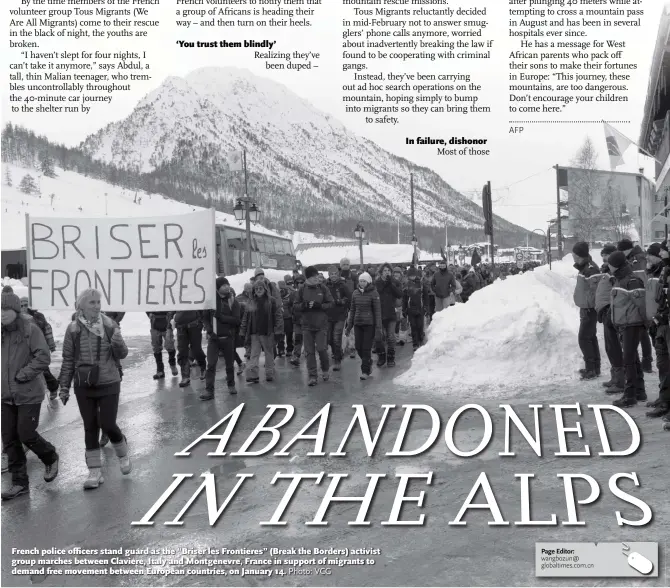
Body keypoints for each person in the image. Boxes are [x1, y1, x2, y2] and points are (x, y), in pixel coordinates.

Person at [59, 288, 130, 490]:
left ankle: (123, 454)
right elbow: (68, 360)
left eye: (98, 302)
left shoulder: (109, 325)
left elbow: (122, 354)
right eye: (92, 303)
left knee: (108, 424)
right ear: (81, 305)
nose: (97, 306)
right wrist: (64, 386)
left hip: (109, 381)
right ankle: (94, 472)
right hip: (84, 383)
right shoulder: (73, 329)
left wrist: (118, 343)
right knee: (90, 426)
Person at [1, 286, 58, 500]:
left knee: (26, 434)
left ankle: (50, 456)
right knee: (9, 440)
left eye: (6, 309)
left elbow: (43, 357)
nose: (2, 313)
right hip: (6, 396)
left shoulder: (30, 329)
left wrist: (23, 374)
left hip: (28, 393)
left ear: (16, 310)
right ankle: (19, 483)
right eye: (0, 309)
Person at [606, 251, 646, 408]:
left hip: (633, 324)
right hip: (626, 324)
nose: (608, 266)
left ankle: (630, 395)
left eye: (610, 263)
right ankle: (639, 391)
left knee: (628, 359)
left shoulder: (631, 280)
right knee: (633, 358)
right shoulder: (620, 279)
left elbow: (641, 304)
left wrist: (646, 323)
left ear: (616, 265)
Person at [618, 238, 654, 373]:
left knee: (643, 332)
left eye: (622, 250)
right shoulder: (634, 258)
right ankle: (646, 361)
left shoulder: (637, 260)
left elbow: (643, 279)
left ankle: (647, 361)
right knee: (642, 331)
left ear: (627, 249)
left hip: (641, 296)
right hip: (639, 295)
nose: (621, 253)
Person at [202, 277, 241, 399]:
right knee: (211, 365)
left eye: (228, 284)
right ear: (218, 287)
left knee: (229, 364)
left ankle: (231, 385)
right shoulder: (210, 302)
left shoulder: (233, 301)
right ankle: (209, 391)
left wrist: (221, 317)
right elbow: (205, 318)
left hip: (228, 337)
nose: (227, 286)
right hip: (214, 339)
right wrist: (209, 330)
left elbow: (237, 320)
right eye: (224, 285)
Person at [297, 266, 334, 386]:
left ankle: (325, 369)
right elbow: (295, 306)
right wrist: (304, 305)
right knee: (309, 351)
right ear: (308, 278)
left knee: (322, 348)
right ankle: (312, 376)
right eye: (314, 276)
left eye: (317, 275)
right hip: (307, 325)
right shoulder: (302, 289)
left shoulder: (323, 288)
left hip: (321, 325)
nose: (316, 278)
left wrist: (320, 306)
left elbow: (331, 303)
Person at [240, 279, 283, 383]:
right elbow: (245, 318)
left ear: (265, 289)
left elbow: (278, 317)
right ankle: (253, 375)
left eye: (260, 288)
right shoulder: (251, 302)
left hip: (267, 332)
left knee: (269, 353)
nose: (258, 290)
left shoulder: (271, 301)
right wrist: (242, 331)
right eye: (256, 288)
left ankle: (269, 373)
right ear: (253, 290)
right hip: (254, 333)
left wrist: (278, 331)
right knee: (254, 354)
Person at [595, 244, 624, 394]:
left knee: (614, 347)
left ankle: (620, 381)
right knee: (610, 347)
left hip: (610, 312)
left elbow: (616, 293)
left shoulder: (614, 273)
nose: (604, 259)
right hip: (606, 312)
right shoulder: (606, 271)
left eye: (606, 255)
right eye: (603, 256)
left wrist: (608, 310)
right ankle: (615, 377)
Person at [571, 241, 602, 380]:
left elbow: (596, 291)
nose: (573, 257)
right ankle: (594, 368)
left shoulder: (590, 269)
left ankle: (592, 369)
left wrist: (590, 305)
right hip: (586, 308)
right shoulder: (584, 267)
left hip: (589, 309)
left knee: (584, 338)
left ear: (581, 255)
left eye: (575, 255)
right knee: (590, 337)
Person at [19, 296, 59, 398]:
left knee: (43, 370)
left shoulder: (38, 317)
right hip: (25, 350)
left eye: (26, 305)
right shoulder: (18, 318)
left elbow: (47, 330)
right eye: (21, 305)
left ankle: (53, 387)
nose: (24, 308)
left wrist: (51, 346)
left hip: (39, 348)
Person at [647, 241, 670, 418]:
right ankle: (665, 400)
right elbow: (660, 298)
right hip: (662, 323)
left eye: (663, 250)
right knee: (662, 364)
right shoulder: (664, 270)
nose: (661, 253)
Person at [345, 272, 382, 380]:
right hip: (358, 323)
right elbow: (352, 310)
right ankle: (368, 361)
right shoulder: (355, 293)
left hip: (369, 324)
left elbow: (377, 311)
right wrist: (349, 326)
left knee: (366, 348)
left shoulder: (374, 293)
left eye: (364, 281)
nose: (362, 283)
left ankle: (365, 371)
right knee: (358, 347)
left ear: (368, 281)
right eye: (360, 281)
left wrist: (378, 327)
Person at [375, 263, 404, 368]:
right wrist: (385, 284)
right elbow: (377, 292)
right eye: (385, 270)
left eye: (388, 271)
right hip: (379, 313)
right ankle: (381, 356)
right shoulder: (376, 283)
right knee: (379, 337)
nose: (387, 272)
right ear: (381, 272)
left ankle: (391, 357)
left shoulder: (394, 282)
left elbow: (399, 294)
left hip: (391, 313)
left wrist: (390, 284)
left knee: (390, 337)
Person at [324, 265, 349, 372]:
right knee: (329, 339)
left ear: (338, 275)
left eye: (335, 274)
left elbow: (349, 297)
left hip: (340, 315)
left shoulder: (342, 285)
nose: (333, 276)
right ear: (329, 275)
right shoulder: (325, 285)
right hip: (328, 315)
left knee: (336, 338)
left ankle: (337, 361)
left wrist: (342, 301)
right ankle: (338, 352)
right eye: (331, 274)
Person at [174, 309, 207, 388]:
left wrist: (203, 321)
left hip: (195, 325)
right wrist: (170, 324)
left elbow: (203, 307)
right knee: (182, 351)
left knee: (196, 349)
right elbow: (170, 308)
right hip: (180, 326)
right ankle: (185, 377)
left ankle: (203, 367)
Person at [403, 267, 429, 350]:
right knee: (413, 326)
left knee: (420, 326)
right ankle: (415, 343)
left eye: (413, 275)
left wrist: (426, 307)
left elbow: (426, 296)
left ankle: (420, 340)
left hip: (420, 308)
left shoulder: (421, 284)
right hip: (410, 309)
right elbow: (404, 298)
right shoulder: (406, 285)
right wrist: (404, 309)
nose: (412, 277)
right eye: (410, 276)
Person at [147, 311, 177, 379]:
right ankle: (160, 370)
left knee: (170, 346)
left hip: (167, 325)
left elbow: (175, 306)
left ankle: (172, 364)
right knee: (156, 348)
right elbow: (145, 306)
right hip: (154, 325)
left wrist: (171, 315)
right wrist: (148, 313)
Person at [289, 274, 306, 367]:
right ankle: (296, 356)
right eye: (298, 282)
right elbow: (290, 306)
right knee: (298, 339)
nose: (300, 284)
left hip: (307, 321)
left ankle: (309, 354)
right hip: (297, 321)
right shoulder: (293, 294)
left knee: (308, 340)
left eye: (302, 282)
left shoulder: (308, 293)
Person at [277, 279, 294, 358]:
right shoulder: (276, 297)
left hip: (288, 318)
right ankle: (281, 349)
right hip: (280, 319)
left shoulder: (289, 296)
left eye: (283, 288)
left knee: (289, 335)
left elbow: (293, 307)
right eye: (280, 289)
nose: (281, 290)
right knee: (280, 335)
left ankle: (289, 349)